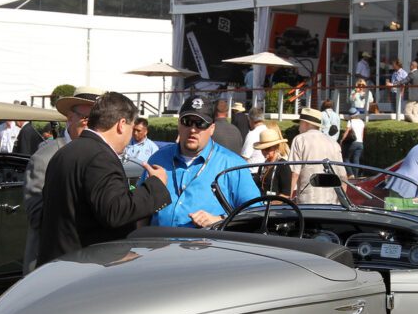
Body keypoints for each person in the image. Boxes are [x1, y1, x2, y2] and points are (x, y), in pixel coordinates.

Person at [36, 92, 169, 267]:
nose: (130, 136)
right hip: (83, 269)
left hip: (57, 264)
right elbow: (115, 211)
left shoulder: (66, 151)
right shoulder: (100, 156)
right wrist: (155, 185)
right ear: (122, 124)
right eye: (131, 127)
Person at [146, 95, 258, 228]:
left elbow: (255, 214)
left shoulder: (233, 165)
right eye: (187, 121)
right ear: (179, 124)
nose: (193, 129)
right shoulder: (158, 159)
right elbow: (142, 211)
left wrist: (220, 220)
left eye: (200, 123)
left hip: (208, 247)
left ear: (211, 129)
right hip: (156, 245)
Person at [22, 89, 98, 272]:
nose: (92, 127)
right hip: (50, 267)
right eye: (87, 119)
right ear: (70, 118)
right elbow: (37, 216)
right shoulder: (44, 157)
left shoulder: (100, 157)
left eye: (97, 120)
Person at [289, 107, 344, 203]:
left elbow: (294, 173)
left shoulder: (299, 140)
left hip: (308, 200)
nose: (299, 127)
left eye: (300, 123)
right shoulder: (333, 143)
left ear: (305, 123)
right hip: (331, 203)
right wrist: (342, 202)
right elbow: (343, 176)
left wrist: (288, 199)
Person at [254, 126, 292, 197]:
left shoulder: (283, 166)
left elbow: (286, 194)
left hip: (276, 207)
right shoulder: (262, 166)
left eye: (267, 148)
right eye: (262, 149)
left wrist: (271, 203)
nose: (264, 151)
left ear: (276, 147)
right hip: (261, 205)